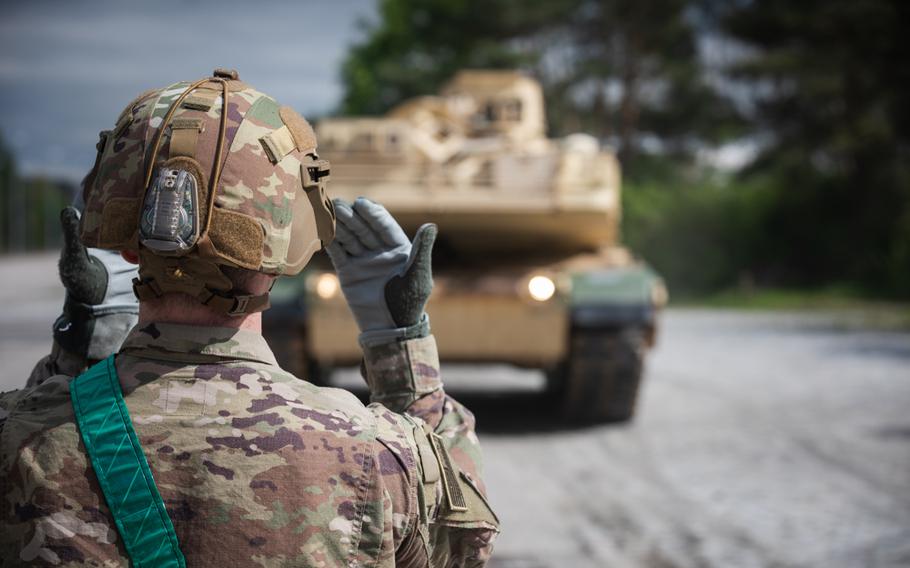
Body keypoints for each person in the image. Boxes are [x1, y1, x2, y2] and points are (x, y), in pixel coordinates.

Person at [0, 69, 498, 567]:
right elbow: (464, 544)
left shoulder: (16, 437)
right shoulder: (379, 453)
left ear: (124, 241)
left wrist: (82, 346)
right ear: (291, 242)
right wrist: (400, 343)